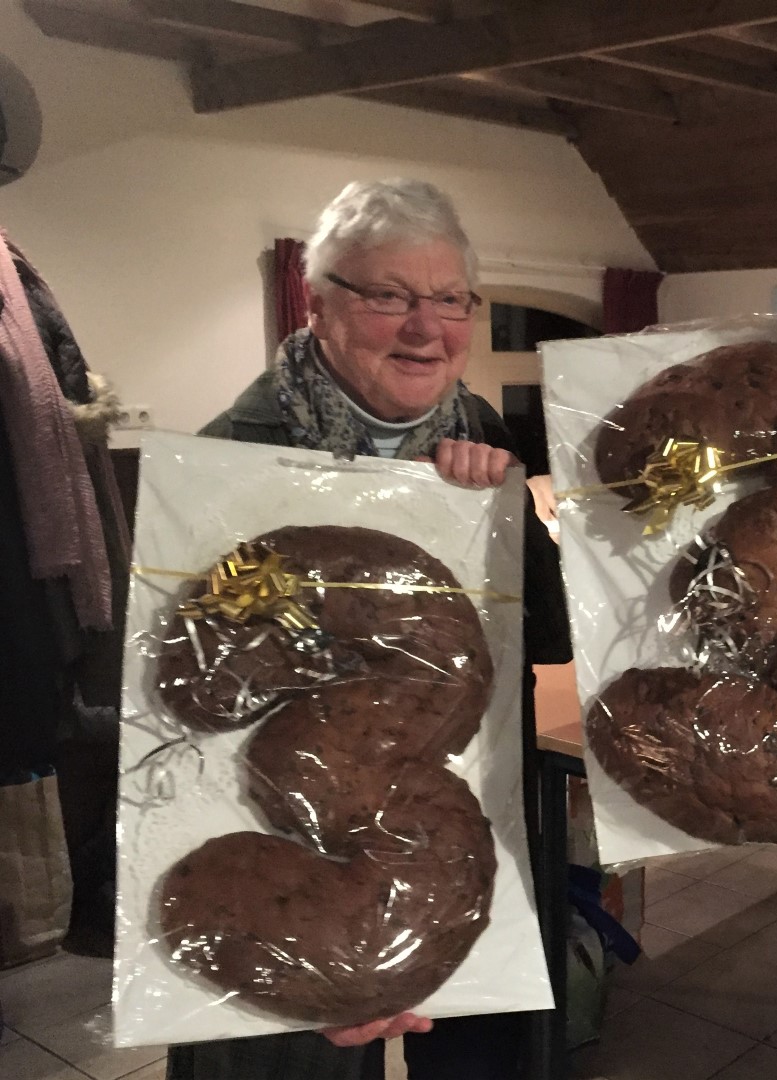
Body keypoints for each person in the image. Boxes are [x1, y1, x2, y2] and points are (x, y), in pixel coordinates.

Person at [166, 178, 570, 1080]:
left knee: (480, 1064)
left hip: (449, 840)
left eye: (451, 299)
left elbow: (550, 641)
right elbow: (184, 695)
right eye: (389, 295)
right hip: (274, 861)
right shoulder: (225, 460)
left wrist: (506, 518)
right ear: (319, 305)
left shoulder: (484, 434)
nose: (426, 327)